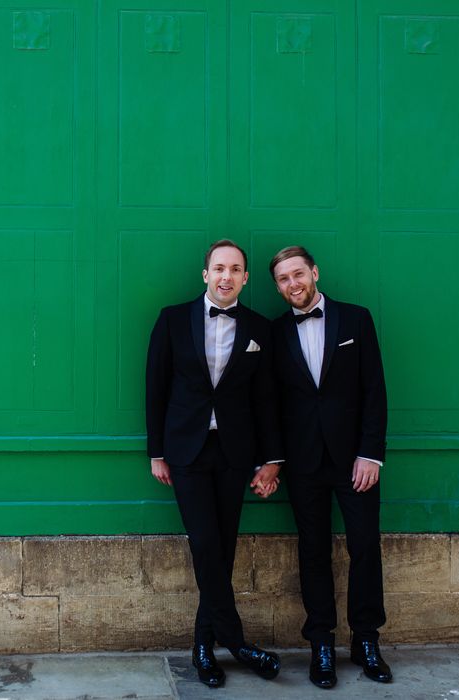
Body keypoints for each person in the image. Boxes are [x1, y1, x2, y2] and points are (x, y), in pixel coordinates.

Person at [146, 239, 283, 688]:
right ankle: (237, 641)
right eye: (219, 268)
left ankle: (204, 647)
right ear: (205, 274)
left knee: (223, 549)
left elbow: (267, 401)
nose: (226, 276)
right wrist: (156, 452)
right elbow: (156, 388)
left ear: (245, 278)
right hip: (185, 451)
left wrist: (271, 461)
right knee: (205, 544)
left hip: (234, 454)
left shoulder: (261, 328)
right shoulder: (171, 319)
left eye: (236, 269)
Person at [269, 245, 391, 688]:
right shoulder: (275, 332)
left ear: (314, 272)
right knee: (313, 552)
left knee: (364, 547)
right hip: (303, 463)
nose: (292, 285)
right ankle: (321, 643)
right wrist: (274, 461)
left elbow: (374, 390)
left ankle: (366, 640)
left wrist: (370, 453)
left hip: (354, 461)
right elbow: (271, 404)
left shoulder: (356, 319)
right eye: (283, 279)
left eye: (297, 274)